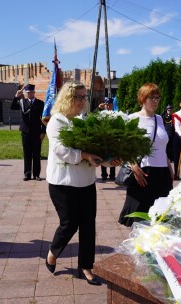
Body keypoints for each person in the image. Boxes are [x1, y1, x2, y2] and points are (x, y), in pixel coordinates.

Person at [44, 81, 121, 285]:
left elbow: (94, 150)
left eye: (83, 97)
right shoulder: (57, 121)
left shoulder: (84, 121)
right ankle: (53, 252)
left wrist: (108, 160)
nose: (81, 101)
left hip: (86, 182)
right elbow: (62, 150)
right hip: (62, 182)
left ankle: (86, 266)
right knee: (69, 224)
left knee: (88, 226)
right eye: (77, 97)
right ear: (67, 98)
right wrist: (86, 154)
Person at [119, 83, 173, 227]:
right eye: (152, 98)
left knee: (161, 217)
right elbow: (124, 147)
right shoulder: (132, 119)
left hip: (162, 173)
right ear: (143, 98)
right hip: (143, 172)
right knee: (140, 218)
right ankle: (138, 248)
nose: (156, 101)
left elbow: (161, 145)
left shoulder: (159, 119)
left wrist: (168, 165)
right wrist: (134, 167)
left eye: (158, 98)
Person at [11, 84, 46, 181]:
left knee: (36, 153)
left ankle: (36, 174)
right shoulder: (22, 102)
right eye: (27, 92)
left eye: (31, 92)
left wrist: (43, 131)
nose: (29, 94)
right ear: (26, 93)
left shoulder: (40, 103)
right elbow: (13, 107)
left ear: (34, 92)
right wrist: (16, 96)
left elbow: (43, 119)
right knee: (27, 154)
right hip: (25, 132)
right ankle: (27, 174)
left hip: (36, 132)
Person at [99, 98, 116, 181]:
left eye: (110, 104)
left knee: (113, 156)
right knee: (103, 156)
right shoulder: (101, 113)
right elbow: (93, 116)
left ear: (112, 105)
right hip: (104, 137)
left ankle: (112, 175)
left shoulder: (115, 114)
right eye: (107, 105)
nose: (108, 106)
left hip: (112, 138)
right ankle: (104, 174)